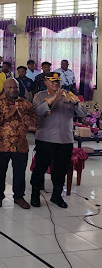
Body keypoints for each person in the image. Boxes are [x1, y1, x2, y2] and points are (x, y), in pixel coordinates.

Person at [31, 72, 87, 208]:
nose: (56, 83)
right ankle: (35, 194)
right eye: (53, 81)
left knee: (61, 170)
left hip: (65, 140)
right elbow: (38, 112)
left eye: (58, 81)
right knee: (40, 168)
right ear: (46, 82)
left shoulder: (69, 95)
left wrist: (75, 103)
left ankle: (57, 196)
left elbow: (83, 113)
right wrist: (54, 98)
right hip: (45, 139)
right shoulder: (40, 96)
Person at [0, 78, 37, 209]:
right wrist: (7, 115)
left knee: (19, 173)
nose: (13, 90)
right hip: (1, 145)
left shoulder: (26, 104)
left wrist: (23, 116)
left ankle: (19, 197)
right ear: (4, 88)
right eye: (10, 87)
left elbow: (35, 123)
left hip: (20, 145)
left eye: (15, 87)